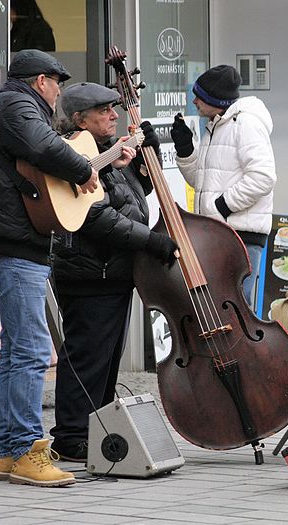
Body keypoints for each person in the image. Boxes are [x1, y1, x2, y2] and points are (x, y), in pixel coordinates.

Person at [0, 49, 100, 487]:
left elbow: (41, 160)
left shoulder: (10, 107)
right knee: (31, 353)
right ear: (41, 80)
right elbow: (44, 147)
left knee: (15, 354)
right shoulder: (18, 104)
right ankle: (28, 450)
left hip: (11, 246)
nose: (59, 91)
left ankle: (6, 453)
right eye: (57, 83)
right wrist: (84, 168)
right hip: (14, 249)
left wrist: (90, 164)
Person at [48, 82, 178, 462]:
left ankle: (92, 432)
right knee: (87, 357)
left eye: (114, 107)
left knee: (105, 360)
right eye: (103, 110)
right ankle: (71, 436)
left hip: (112, 272)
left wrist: (144, 162)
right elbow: (96, 216)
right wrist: (150, 242)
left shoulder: (104, 155)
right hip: (91, 273)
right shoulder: (72, 157)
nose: (113, 115)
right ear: (79, 119)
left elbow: (131, 198)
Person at [171, 65, 276, 309]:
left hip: (239, 237)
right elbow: (203, 183)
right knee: (217, 310)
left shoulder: (245, 124)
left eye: (200, 96)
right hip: (220, 234)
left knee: (235, 311)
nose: (194, 100)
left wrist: (222, 207)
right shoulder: (217, 125)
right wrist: (185, 150)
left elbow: (263, 177)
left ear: (214, 99)